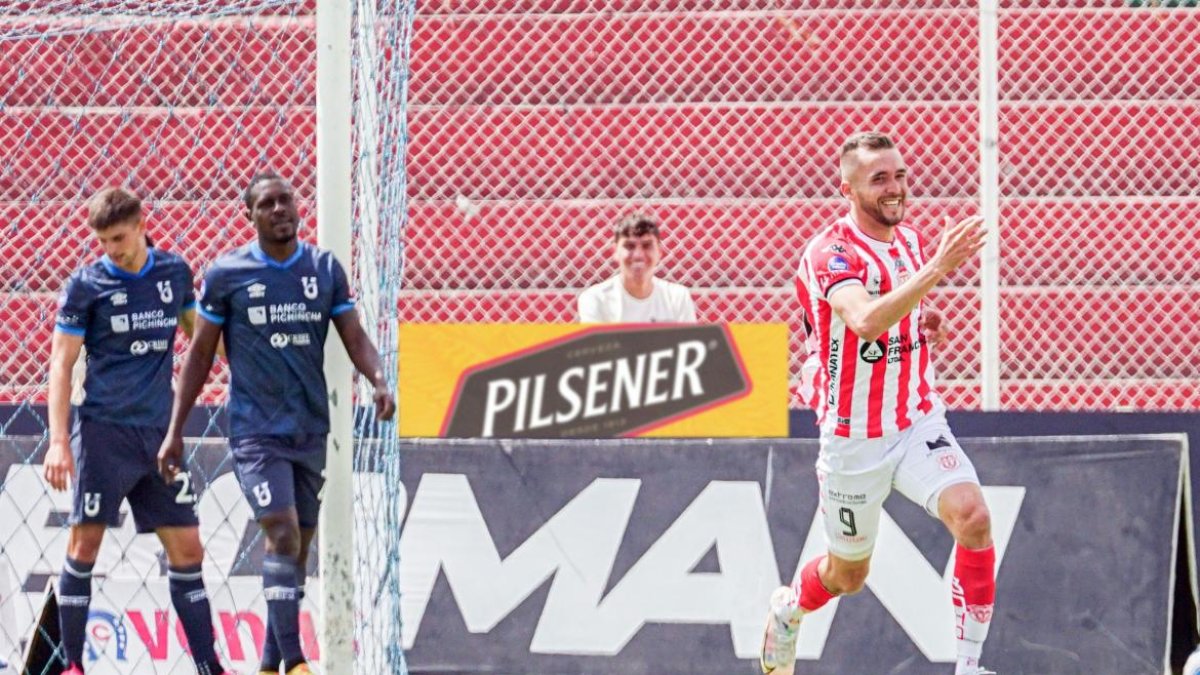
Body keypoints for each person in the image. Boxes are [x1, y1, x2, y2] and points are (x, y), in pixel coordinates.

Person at [760, 132, 994, 675]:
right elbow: (863, 319)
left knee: (973, 516)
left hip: (915, 420)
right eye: (880, 179)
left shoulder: (909, 241)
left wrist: (922, 319)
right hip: (853, 439)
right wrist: (936, 270)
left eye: (900, 176)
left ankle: (969, 665)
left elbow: (895, 310)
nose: (895, 189)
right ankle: (790, 609)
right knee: (849, 576)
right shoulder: (829, 252)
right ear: (847, 189)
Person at [158, 171, 396, 675]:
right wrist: (176, 429)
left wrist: (378, 378)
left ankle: (268, 663)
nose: (281, 209)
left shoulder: (323, 268)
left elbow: (354, 336)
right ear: (250, 215)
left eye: (286, 200)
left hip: (310, 427)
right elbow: (200, 354)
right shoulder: (228, 274)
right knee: (283, 535)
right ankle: (294, 662)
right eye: (268, 203)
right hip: (255, 432)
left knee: (298, 550)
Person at [44, 188, 227, 675]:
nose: (112, 249)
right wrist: (59, 441)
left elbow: (199, 336)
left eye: (119, 238)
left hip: (160, 436)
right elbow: (61, 364)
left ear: (142, 223)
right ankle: (74, 665)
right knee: (84, 546)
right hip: (103, 432)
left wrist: (257, 359)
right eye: (103, 241)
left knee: (188, 547)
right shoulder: (86, 286)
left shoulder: (173, 273)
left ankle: (211, 666)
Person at [577, 213, 697, 323]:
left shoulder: (677, 298)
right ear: (615, 251)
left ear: (659, 251)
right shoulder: (596, 299)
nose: (638, 255)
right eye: (629, 246)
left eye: (647, 245)